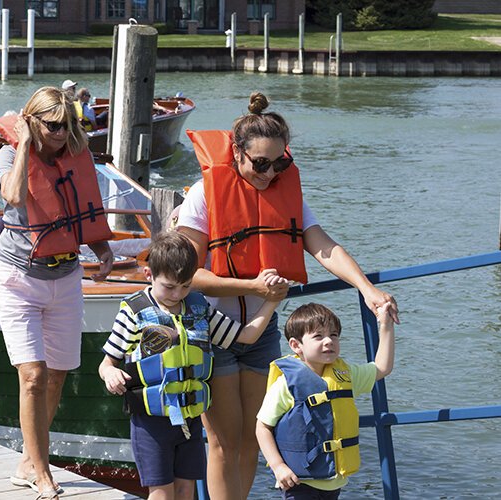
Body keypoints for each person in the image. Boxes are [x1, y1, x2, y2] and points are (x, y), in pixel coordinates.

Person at [175, 91, 400, 499]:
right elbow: (186, 275)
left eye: (279, 163)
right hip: (214, 330)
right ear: (237, 154)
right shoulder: (204, 195)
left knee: (249, 440)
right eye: (259, 163)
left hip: (262, 330)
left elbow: (323, 246)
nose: (268, 173)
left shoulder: (286, 194)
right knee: (223, 441)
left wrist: (367, 289)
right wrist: (254, 288)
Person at [0, 86, 115, 500]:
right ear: (33, 120)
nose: (62, 133)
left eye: (69, 125)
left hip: (65, 277)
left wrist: (103, 248)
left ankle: (28, 460)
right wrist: (26, 142)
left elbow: (83, 209)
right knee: (33, 376)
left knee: (58, 375)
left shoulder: (75, 159)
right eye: (53, 125)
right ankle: (42, 473)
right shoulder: (10, 155)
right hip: (19, 279)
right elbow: (12, 195)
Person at [98, 231, 285, 500]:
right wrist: (111, 374)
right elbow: (107, 362)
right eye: (169, 286)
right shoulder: (134, 311)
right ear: (149, 274)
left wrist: (272, 300)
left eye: (185, 286)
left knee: (186, 491)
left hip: (189, 420)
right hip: (151, 422)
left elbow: (246, 336)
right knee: (161, 493)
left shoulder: (199, 308)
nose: (178, 294)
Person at [256, 302, 396, 499]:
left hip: (333, 482)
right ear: (296, 346)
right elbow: (262, 427)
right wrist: (278, 466)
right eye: (318, 336)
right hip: (298, 481)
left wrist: (385, 325)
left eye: (334, 335)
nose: (329, 341)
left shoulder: (346, 375)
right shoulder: (286, 383)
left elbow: (382, 368)